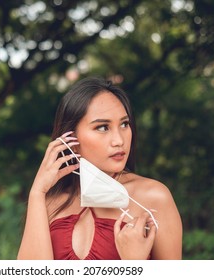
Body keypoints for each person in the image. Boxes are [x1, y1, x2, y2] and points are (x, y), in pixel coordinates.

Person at [17, 76, 182, 260]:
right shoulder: (50, 202)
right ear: (71, 138)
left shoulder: (153, 198)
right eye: (103, 127)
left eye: (124, 124)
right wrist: (37, 192)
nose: (119, 140)